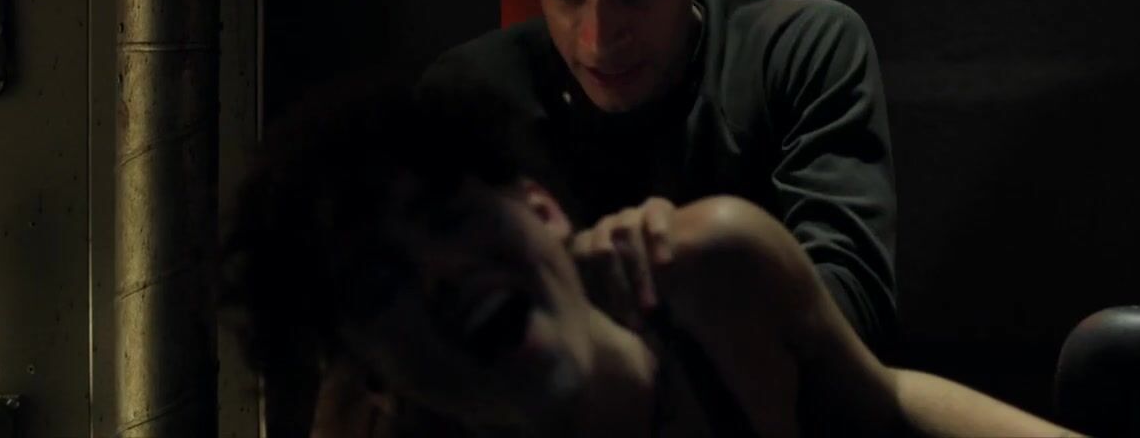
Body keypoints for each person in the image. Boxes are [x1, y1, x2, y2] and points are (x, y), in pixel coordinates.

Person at [222, 82, 1074, 437]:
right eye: (380, 288)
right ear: (373, 374)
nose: (439, 276)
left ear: (542, 209)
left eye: (448, 217)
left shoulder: (713, 275)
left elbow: (885, 404)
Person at [422, 0, 896, 351]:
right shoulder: (470, 95)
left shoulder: (794, 52)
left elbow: (852, 314)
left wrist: (684, 251)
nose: (599, 39)